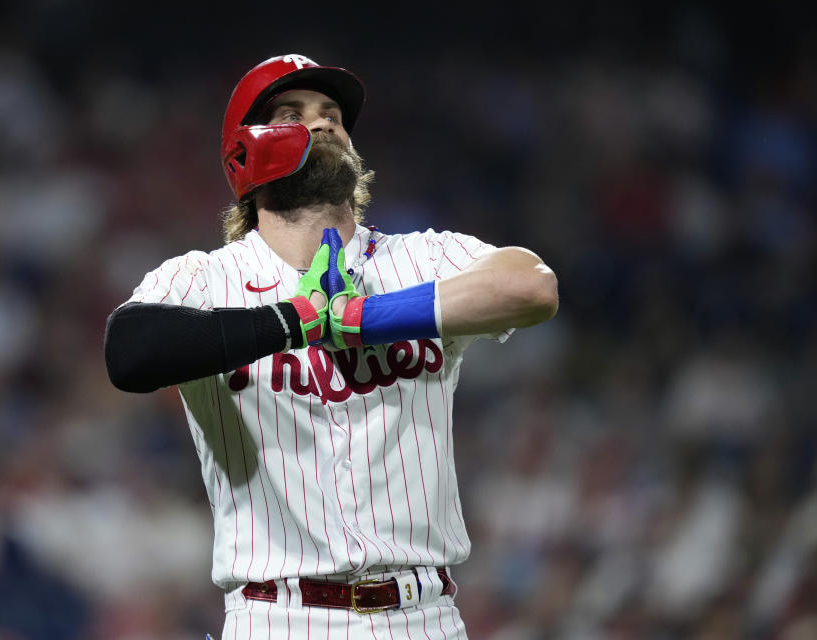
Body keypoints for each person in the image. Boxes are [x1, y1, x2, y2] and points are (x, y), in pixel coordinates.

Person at [104, 53, 558, 639]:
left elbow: (532, 285)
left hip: (424, 615)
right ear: (243, 151)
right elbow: (129, 352)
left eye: (332, 114)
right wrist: (297, 320)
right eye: (291, 114)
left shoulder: (416, 258)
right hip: (279, 615)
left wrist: (364, 318)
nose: (322, 124)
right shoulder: (204, 278)